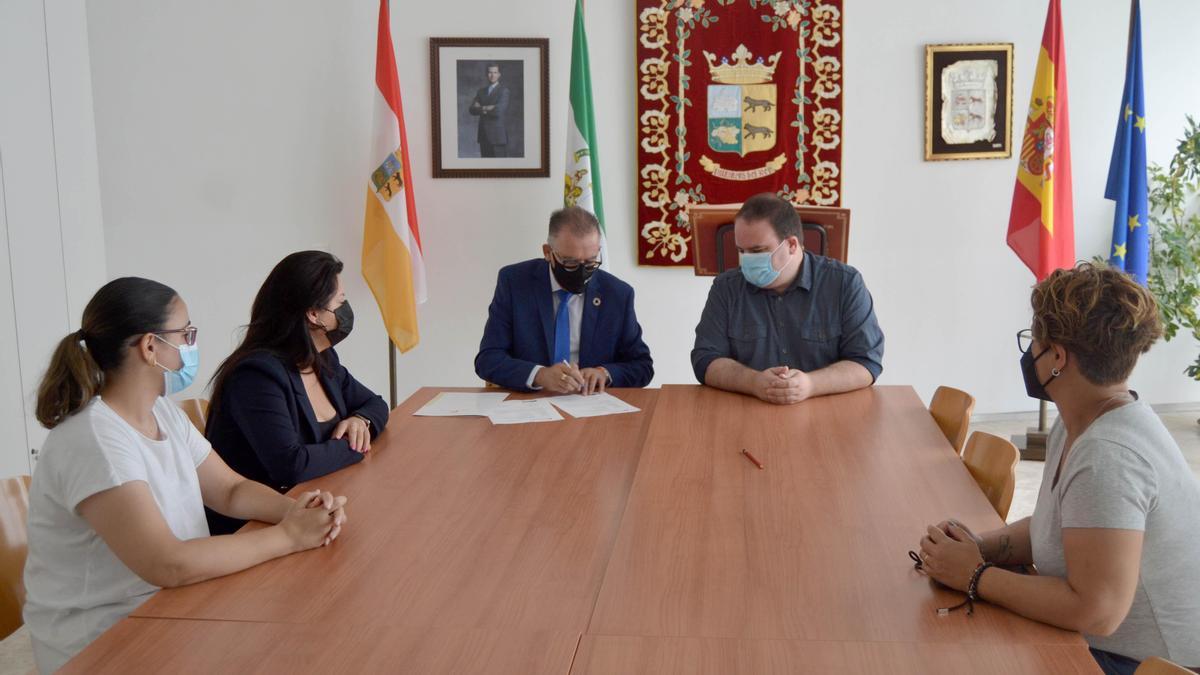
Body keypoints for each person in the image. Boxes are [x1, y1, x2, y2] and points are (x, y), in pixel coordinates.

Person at [22, 277, 347, 673]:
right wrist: (288, 536)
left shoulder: (162, 412)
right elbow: (166, 563)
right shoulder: (94, 439)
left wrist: (300, 510)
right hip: (102, 641)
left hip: (175, 605)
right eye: (186, 333)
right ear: (149, 346)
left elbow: (229, 490)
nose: (192, 344)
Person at [917, 263, 1200, 675]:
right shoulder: (1082, 419)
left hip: (1142, 663)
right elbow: (1062, 524)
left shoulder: (1109, 454)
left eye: (1034, 341)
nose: (1029, 352)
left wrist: (975, 576)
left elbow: (1097, 611)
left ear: (1058, 358)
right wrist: (980, 547)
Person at [204, 251, 388, 535]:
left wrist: (360, 421)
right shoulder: (256, 376)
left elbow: (375, 404)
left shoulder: (322, 358)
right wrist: (356, 445)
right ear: (313, 314)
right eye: (340, 301)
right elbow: (291, 466)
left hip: (315, 506)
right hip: (257, 527)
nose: (346, 308)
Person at [691, 192, 884, 404]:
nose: (747, 260)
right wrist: (754, 382)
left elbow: (866, 363)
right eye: (741, 251)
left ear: (792, 245)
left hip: (827, 412)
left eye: (757, 250)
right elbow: (705, 360)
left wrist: (810, 385)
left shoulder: (845, 283)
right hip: (747, 411)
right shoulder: (726, 288)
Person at [475, 206, 653, 394]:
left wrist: (605, 373)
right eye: (570, 262)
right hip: (529, 403)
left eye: (591, 261)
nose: (582, 271)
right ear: (548, 252)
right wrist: (539, 375)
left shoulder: (617, 294)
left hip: (592, 407)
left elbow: (642, 367)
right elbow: (488, 359)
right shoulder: (515, 283)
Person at [468, 63, 510, 158]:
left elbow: (498, 111)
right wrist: (486, 108)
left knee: (499, 169)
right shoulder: (481, 91)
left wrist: (481, 107)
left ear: (499, 74)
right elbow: (471, 110)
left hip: (497, 137)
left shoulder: (504, 91)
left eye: (495, 72)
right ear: (487, 74)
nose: (492, 75)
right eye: (490, 72)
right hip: (483, 136)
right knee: (486, 168)